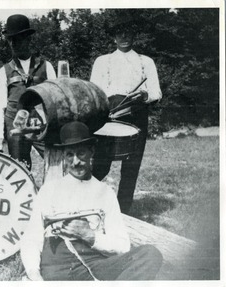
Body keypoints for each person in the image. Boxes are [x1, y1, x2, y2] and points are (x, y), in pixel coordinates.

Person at [20, 121, 163, 281]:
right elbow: (31, 238)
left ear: (91, 151)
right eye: (69, 155)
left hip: (94, 265)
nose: (75, 162)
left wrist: (90, 236)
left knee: (150, 255)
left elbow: (122, 246)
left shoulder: (105, 193)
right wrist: (34, 273)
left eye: (81, 153)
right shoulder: (49, 189)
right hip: (56, 266)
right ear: (64, 156)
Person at [90, 13, 162, 214]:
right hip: (110, 116)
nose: (124, 37)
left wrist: (145, 94)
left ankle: (124, 211)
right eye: (119, 33)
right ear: (113, 37)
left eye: (128, 33)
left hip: (137, 115)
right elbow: (96, 91)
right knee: (101, 165)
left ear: (134, 35)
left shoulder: (145, 61)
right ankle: (87, 203)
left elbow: (156, 92)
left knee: (131, 168)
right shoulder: (103, 61)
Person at [0, 14, 56, 169]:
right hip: (16, 127)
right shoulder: (3, 71)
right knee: (19, 169)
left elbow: (56, 98)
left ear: (29, 39)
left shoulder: (46, 66)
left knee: (54, 162)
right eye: (11, 39)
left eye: (19, 38)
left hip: (42, 124)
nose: (14, 43)